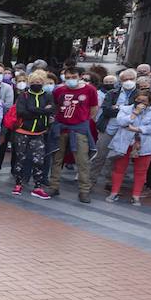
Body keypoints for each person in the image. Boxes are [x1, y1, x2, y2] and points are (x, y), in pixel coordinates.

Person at [49, 64, 100, 202]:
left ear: (80, 77)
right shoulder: (59, 90)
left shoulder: (90, 90)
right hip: (61, 128)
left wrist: (83, 120)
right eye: (67, 77)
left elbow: (94, 108)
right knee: (57, 159)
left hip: (79, 129)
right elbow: (56, 107)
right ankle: (54, 186)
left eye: (73, 77)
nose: (70, 79)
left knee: (82, 161)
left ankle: (84, 190)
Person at [104, 89, 151, 207]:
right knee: (119, 168)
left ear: (150, 102)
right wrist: (135, 113)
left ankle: (136, 196)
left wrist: (138, 129)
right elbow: (121, 122)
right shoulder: (125, 109)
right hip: (125, 142)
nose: (140, 103)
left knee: (141, 171)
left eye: (144, 101)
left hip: (143, 143)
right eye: (138, 100)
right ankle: (114, 192)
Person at [12, 69, 55, 199]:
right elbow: (21, 112)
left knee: (39, 160)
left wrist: (33, 110)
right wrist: (42, 111)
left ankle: (38, 187)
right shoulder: (24, 95)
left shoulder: (48, 95)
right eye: (34, 82)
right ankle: (18, 184)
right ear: (30, 83)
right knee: (20, 159)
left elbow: (52, 109)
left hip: (39, 133)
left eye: (39, 81)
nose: (37, 83)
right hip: (22, 132)